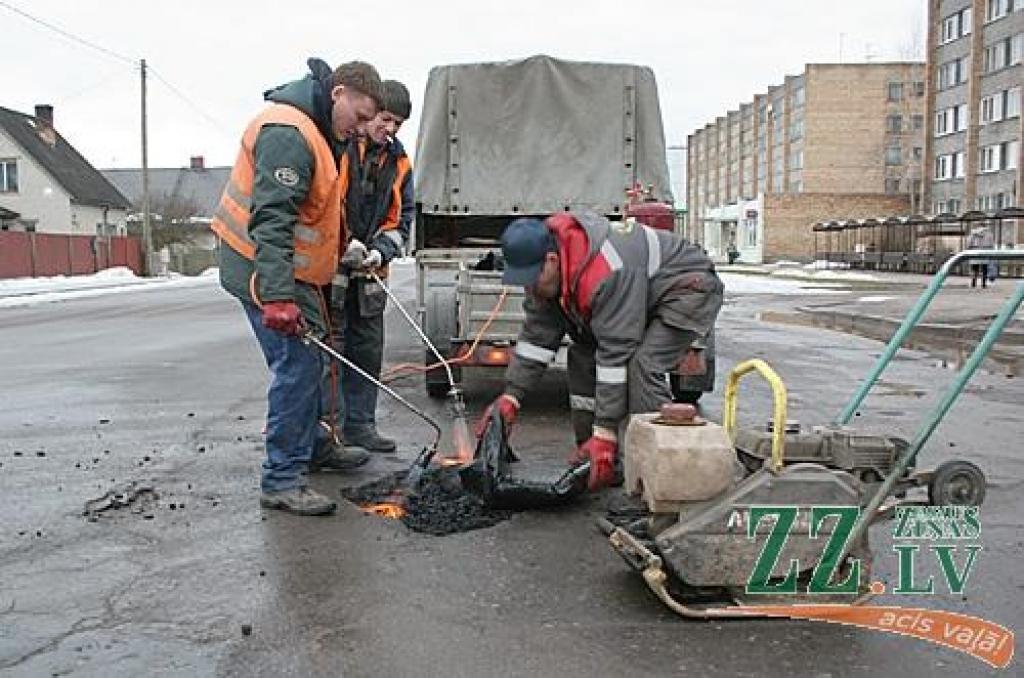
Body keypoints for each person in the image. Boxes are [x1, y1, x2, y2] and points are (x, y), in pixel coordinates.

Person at [211, 58, 383, 516]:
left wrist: (343, 246)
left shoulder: (326, 133)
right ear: (337, 93)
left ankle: (315, 446)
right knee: (299, 366)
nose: (364, 128)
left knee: (321, 357)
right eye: (360, 116)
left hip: (296, 272)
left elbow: (317, 207)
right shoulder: (288, 132)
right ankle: (282, 478)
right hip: (261, 268)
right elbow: (273, 221)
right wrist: (279, 297)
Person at [477, 211, 724, 490]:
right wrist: (512, 396)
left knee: (643, 365)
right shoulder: (546, 276)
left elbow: (615, 354)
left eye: (531, 279)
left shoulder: (606, 269)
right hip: (642, 292)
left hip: (687, 289)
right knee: (582, 355)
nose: (528, 288)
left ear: (551, 261)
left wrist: (606, 428)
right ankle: (592, 454)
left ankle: (660, 475)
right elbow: (537, 339)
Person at [323, 80, 414, 454]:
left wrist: (380, 251)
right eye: (387, 119)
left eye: (399, 124)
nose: (390, 129)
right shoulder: (342, 148)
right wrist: (346, 243)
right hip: (334, 273)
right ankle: (331, 431)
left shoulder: (399, 161)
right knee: (332, 353)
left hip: (371, 276)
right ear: (371, 112)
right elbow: (327, 203)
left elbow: (402, 217)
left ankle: (361, 426)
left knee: (367, 350)